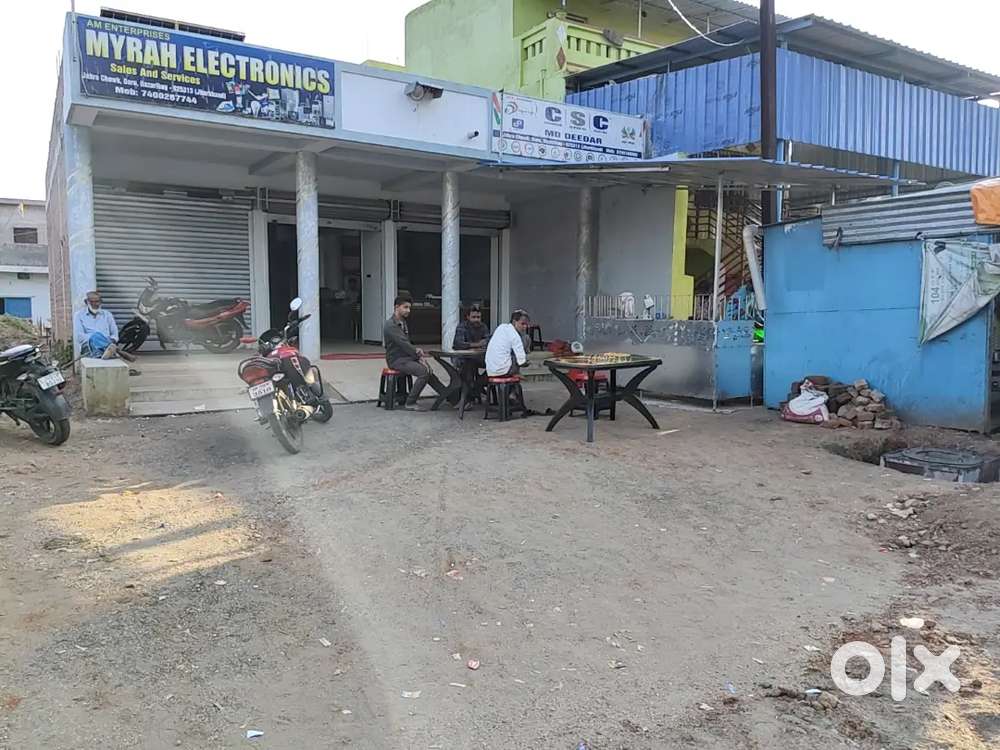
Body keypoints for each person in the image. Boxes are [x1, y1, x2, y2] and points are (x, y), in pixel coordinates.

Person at [383, 294, 446, 410]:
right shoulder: (390, 325)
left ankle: (451, 397)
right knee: (424, 372)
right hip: (397, 360)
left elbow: (407, 345)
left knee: (429, 372)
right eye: (405, 307)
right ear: (397, 307)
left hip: (406, 358)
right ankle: (410, 402)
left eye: (409, 308)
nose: (408, 310)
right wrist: (418, 354)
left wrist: (418, 358)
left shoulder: (403, 323)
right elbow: (404, 344)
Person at [74, 291, 134, 361]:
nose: (95, 304)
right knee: (96, 335)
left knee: (99, 338)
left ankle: (106, 351)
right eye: (92, 302)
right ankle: (116, 351)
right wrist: (96, 338)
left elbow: (114, 333)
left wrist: (111, 340)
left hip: (108, 344)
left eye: (98, 301)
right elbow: (80, 336)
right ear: (86, 302)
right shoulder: (79, 315)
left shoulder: (108, 315)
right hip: (88, 347)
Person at [485, 309, 530, 377]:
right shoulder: (515, 336)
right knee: (516, 355)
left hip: (490, 370)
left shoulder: (501, 327)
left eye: (526, 324)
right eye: (522, 324)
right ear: (514, 322)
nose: (525, 327)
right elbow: (521, 361)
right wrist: (526, 362)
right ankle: (516, 373)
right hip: (504, 370)